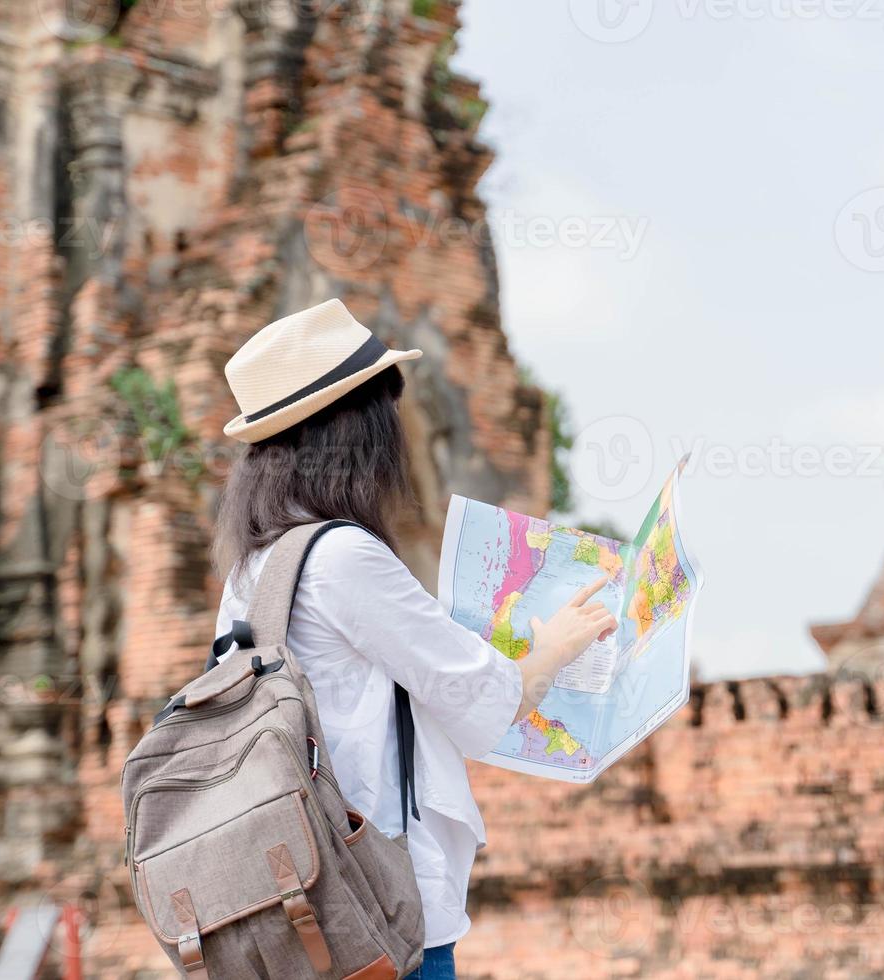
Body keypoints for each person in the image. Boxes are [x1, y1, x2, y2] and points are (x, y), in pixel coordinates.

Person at [211, 299, 617, 980]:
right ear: (357, 432)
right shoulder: (344, 557)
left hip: (298, 905)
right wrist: (558, 645)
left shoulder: (252, 568)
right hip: (379, 909)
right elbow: (485, 698)